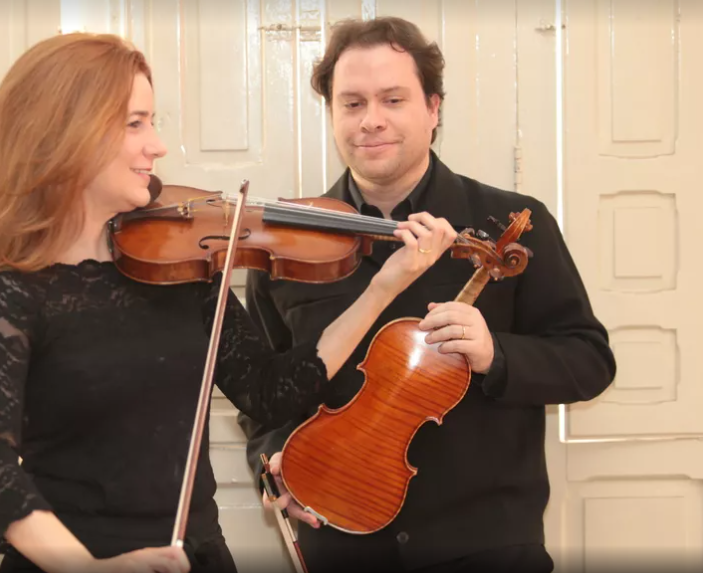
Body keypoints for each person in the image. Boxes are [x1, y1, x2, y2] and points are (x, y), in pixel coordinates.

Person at [0, 32, 459, 573]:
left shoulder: (180, 268)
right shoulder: (15, 292)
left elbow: (268, 393)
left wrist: (382, 287)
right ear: (67, 131)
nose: (156, 146)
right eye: (135, 123)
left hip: (194, 556)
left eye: (152, 122)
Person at [236, 16, 617, 573]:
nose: (371, 121)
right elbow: (259, 392)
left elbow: (589, 360)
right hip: (342, 542)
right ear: (332, 113)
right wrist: (274, 460)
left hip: (486, 545)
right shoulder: (288, 245)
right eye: (352, 103)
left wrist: (496, 354)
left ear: (433, 109)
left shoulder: (512, 224)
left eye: (393, 99)